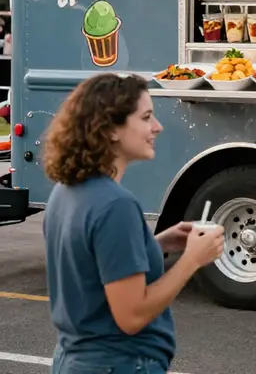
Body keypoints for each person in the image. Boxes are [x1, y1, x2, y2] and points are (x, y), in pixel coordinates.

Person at [41, 73, 224, 374]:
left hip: (73, 360)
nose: (157, 127)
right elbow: (132, 316)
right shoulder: (116, 205)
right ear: (111, 129)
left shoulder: (65, 191)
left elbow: (92, 265)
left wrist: (156, 243)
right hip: (118, 364)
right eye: (146, 117)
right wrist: (192, 259)